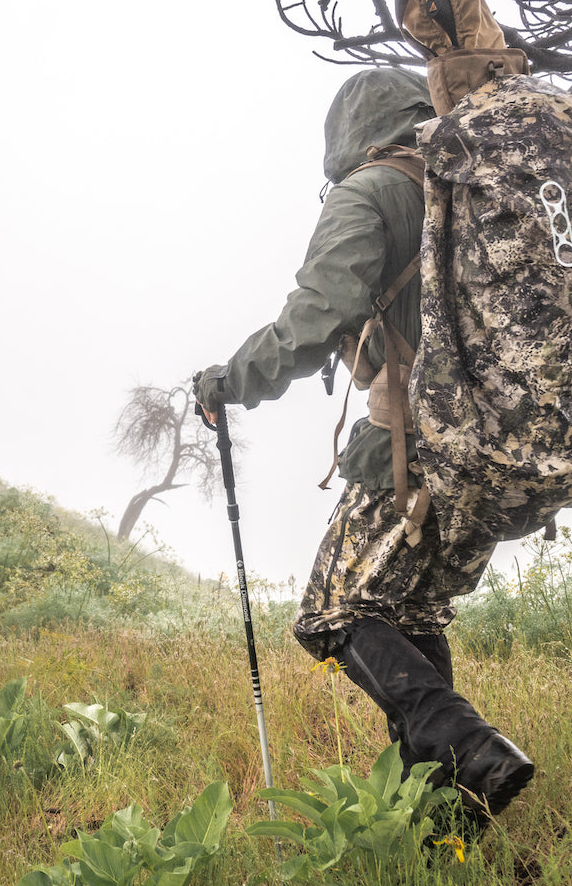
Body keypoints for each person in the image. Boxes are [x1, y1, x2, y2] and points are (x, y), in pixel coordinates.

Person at [193, 66, 533, 829]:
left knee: (334, 611)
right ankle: (448, 819)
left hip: (411, 448)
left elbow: (315, 319)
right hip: (498, 448)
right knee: (411, 619)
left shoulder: (373, 191)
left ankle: (469, 747)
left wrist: (228, 381)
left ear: (350, 135)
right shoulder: (467, 183)